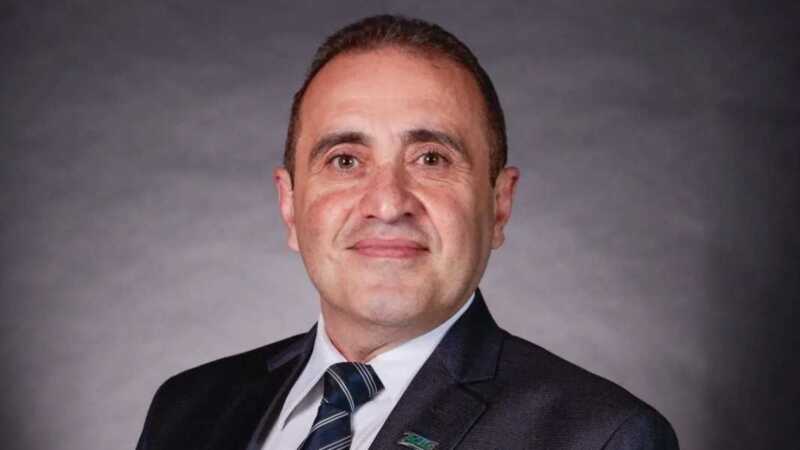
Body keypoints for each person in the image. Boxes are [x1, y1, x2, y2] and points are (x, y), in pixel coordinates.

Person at [136, 15, 679, 450]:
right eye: (345, 160)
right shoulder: (189, 408)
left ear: (499, 206)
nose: (388, 202)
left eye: (431, 158)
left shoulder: (602, 436)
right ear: (290, 205)